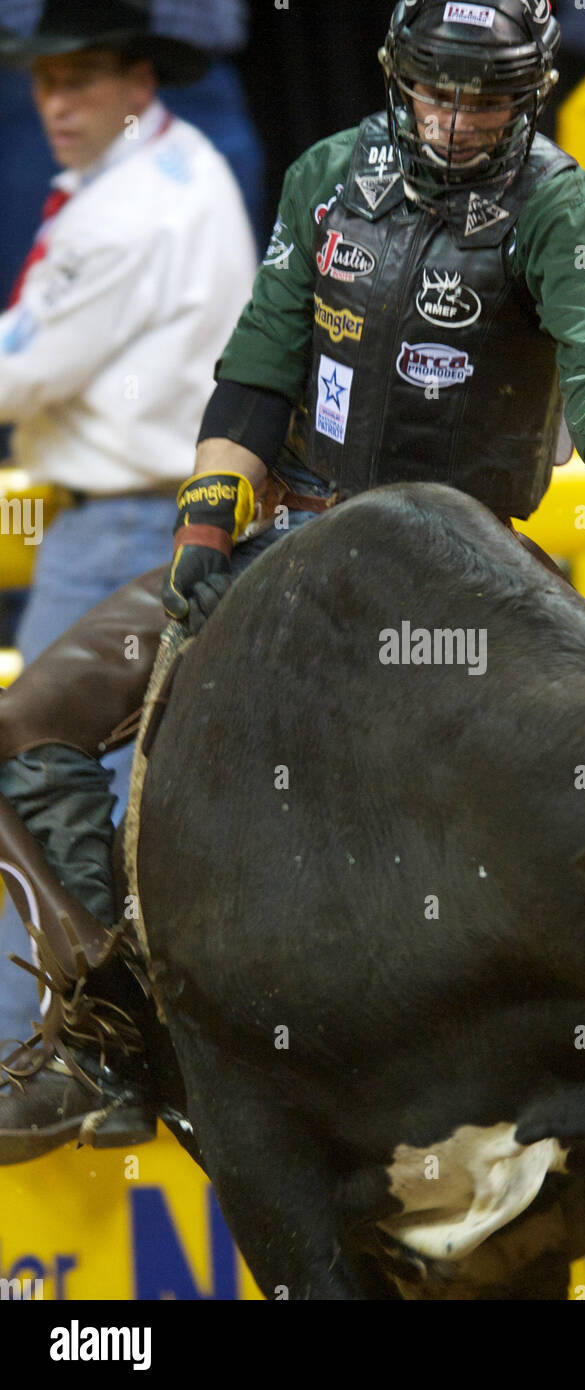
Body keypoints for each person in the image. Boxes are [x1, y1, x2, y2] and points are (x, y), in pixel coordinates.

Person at [0, 0, 585, 1243]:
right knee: (30, 719)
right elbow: (257, 365)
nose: (457, 122)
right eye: (437, 94)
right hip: (291, 542)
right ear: (396, 79)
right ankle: (105, 1021)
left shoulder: (556, 204)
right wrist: (206, 520)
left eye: (484, 102)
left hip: (467, 578)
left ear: (525, 97)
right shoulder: (322, 177)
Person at [0, 0, 257, 1045]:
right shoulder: (180, 162)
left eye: (83, 79)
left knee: (34, 792)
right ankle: (121, 1043)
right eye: (46, 80)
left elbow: (19, 376)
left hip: (120, 528)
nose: (57, 101)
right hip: (182, 520)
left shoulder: (119, 216)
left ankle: (44, 1048)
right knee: (120, 804)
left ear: (137, 83)